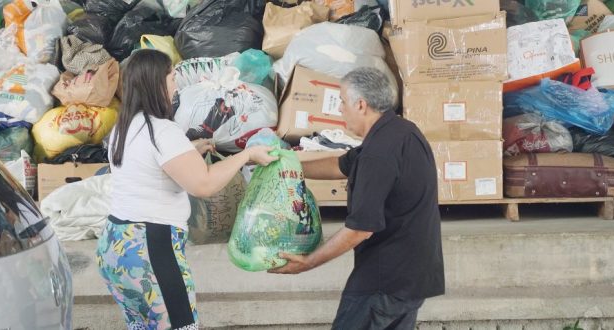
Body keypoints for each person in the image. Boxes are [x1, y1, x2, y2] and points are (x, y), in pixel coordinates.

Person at [96, 49, 277, 330]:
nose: (176, 86)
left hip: (115, 246)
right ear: (156, 84)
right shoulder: (163, 131)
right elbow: (203, 184)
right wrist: (246, 156)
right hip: (150, 249)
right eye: (171, 78)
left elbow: (152, 165)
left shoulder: (124, 127)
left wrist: (190, 150)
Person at [269, 67, 445, 329]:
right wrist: (284, 167)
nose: (340, 109)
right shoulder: (402, 132)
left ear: (361, 105)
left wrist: (308, 262)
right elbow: (340, 165)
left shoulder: (379, 153)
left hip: (385, 281)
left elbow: (360, 229)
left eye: (342, 102)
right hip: (413, 276)